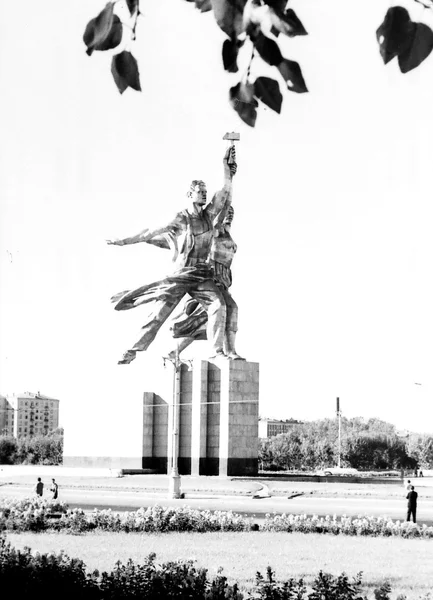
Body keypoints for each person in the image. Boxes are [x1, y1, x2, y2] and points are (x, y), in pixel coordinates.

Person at [107, 147, 237, 364]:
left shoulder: (208, 217)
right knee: (158, 315)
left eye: (205, 190)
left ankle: (217, 351)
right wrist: (123, 241)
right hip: (180, 275)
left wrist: (227, 169)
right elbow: (150, 231)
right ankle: (132, 350)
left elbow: (224, 193)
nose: (204, 194)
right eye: (200, 190)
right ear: (190, 194)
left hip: (200, 276)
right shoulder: (182, 218)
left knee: (218, 306)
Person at [168, 204, 244, 360]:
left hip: (223, 282)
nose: (229, 215)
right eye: (226, 212)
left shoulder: (227, 234)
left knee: (227, 312)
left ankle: (230, 350)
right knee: (211, 314)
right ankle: (217, 351)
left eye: (232, 213)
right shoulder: (213, 232)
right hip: (210, 280)